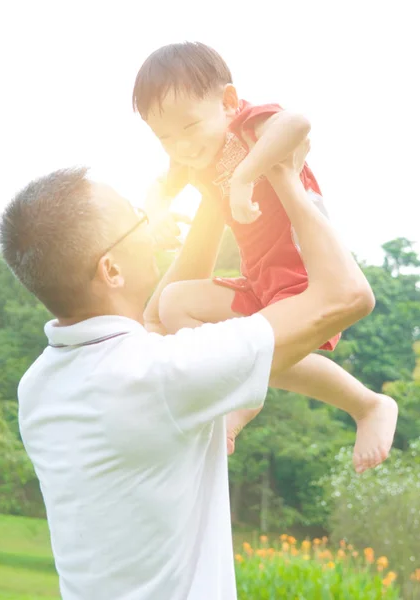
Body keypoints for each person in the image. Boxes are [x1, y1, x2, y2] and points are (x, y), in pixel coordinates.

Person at [0, 146, 375, 599]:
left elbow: (156, 325)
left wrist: (212, 199)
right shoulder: (157, 376)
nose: (150, 223)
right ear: (111, 269)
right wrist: (284, 175)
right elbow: (347, 296)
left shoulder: (41, 385)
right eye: (137, 220)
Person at [133, 41, 398, 472]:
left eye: (189, 127)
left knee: (264, 353)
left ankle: (362, 404)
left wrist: (244, 175)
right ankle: (238, 388)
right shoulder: (191, 155)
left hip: (302, 270)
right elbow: (158, 187)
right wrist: (156, 216)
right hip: (259, 279)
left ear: (229, 102)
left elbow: (296, 124)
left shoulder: (246, 126)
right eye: (164, 136)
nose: (180, 146)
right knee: (175, 303)